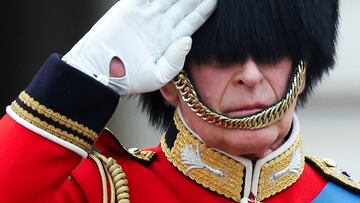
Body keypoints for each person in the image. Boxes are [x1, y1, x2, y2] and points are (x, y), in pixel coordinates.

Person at [0, 0, 359, 202]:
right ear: (171, 81)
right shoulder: (102, 192)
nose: (249, 76)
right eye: (222, 55)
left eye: (269, 54)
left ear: (305, 68)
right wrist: (84, 75)